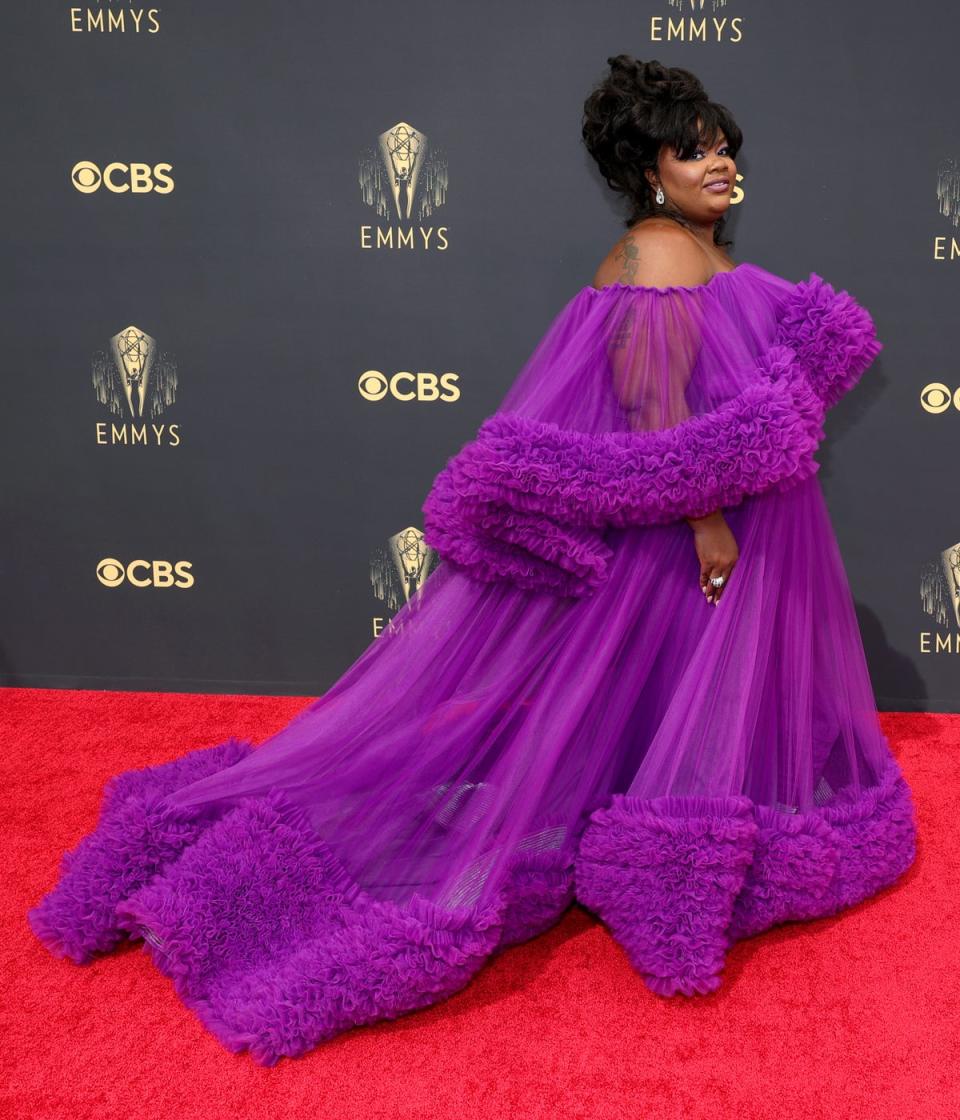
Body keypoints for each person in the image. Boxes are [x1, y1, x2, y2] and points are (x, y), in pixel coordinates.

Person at [27, 56, 918, 1066]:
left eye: (722, 144)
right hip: (677, 545)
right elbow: (652, 403)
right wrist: (710, 522)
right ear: (647, 168)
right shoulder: (659, 255)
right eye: (692, 148)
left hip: (693, 541)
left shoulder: (691, 254)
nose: (718, 162)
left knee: (639, 711)